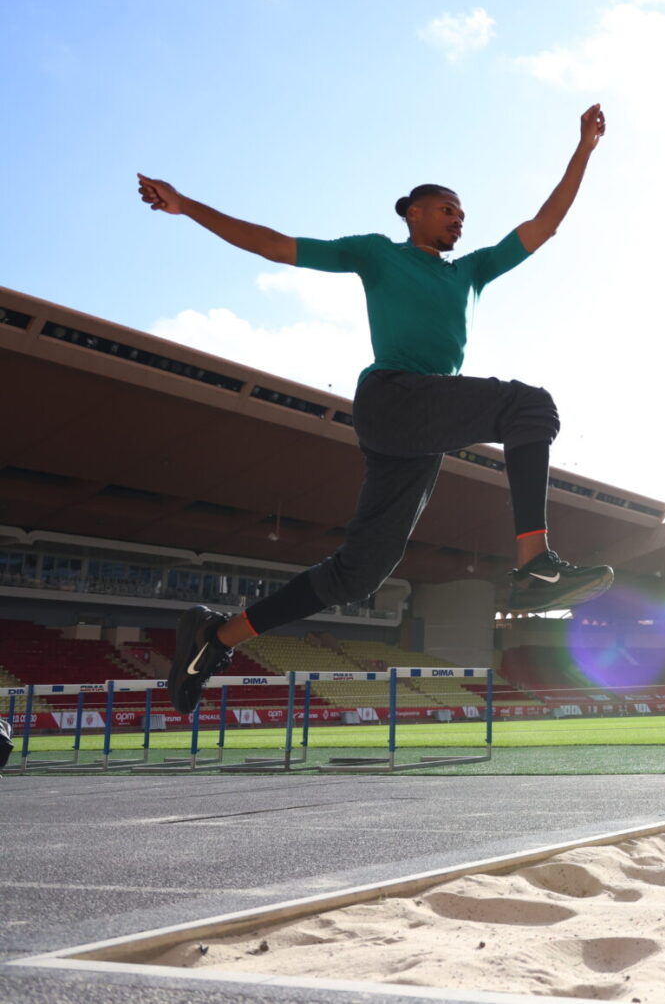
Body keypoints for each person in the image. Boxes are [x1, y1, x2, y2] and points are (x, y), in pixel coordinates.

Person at [138, 105, 615, 714]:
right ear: (413, 212)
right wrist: (189, 207)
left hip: (417, 433)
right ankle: (535, 562)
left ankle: (214, 636)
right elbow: (276, 247)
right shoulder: (377, 254)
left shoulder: (471, 272)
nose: (459, 223)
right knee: (529, 407)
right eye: (448, 211)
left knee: (357, 574)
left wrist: (584, 150)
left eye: (464, 216)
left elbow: (543, 225)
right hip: (394, 398)